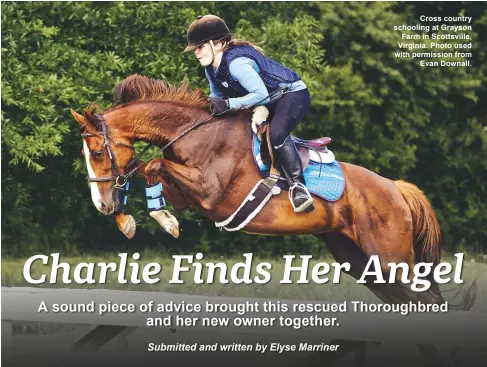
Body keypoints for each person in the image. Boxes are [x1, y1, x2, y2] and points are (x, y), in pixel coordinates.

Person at [184, 15, 314, 213]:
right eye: (195, 48)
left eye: (199, 47)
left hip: (291, 95)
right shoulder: (211, 69)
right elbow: (216, 97)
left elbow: (259, 94)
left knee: (276, 133)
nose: (196, 53)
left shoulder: (237, 63)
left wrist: (228, 104)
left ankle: (299, 187)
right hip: (267, 100)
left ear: (216, 44)